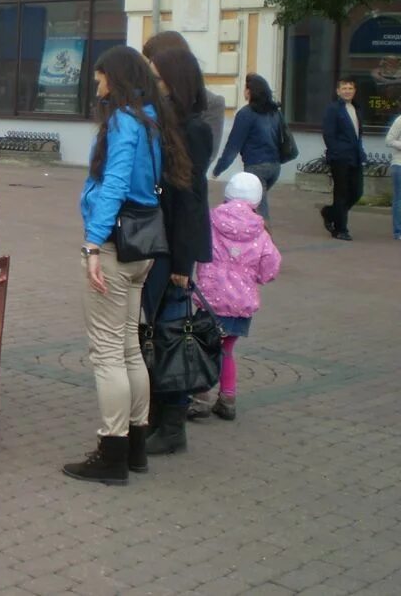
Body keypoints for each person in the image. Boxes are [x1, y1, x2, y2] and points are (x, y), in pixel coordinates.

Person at [64, 45, 187, 485]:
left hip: (116, 246)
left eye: (100, 80)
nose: (97, 88)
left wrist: (93, 245)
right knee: (131, 347)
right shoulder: (154, 121)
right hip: (144, 245)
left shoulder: (123, 122)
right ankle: (135, 445)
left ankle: (111, 450)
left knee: (107, 352)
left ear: (114, 79)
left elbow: (115, 182)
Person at [141, 47, 211, 457]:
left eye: (157, 73)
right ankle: (156, 418)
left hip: (176, 246)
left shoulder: (194, 127)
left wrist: (184, 262)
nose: (153, 79)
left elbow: (189, 195)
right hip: (160, 240)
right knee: (157, 334)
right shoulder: (165, 119)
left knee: (171, 337)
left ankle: (172, 426)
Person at [190, 173, 281, 422]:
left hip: (210, 299)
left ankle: (201, 398)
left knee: (204, 349)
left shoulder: (211, 220)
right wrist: (255, 278)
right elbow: (270, 266)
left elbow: (196, 247)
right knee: (227, 350)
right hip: (240, 303)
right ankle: (227, 398)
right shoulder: (260, 230)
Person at [142, 30, 226, 162]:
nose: (149, 66)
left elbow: (206, 157)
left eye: (153, 59)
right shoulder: (147, 99)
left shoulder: (211, 103)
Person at [213, 74, 284, 223]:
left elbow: (233, 146)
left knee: (260, 213)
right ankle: (252, 241)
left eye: (246, 88)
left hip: (257, 167)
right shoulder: (274, 112)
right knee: (254, 205)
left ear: (250, 91)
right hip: (275, 167)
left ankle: (265, 243)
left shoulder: (246, 114)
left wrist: (218, 169)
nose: (244, 91)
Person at [320, 77, 366, 241]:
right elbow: (329, 135)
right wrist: (337, 152)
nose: (347, 91)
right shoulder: (333, 109)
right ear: (338, 91)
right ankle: (340, 229)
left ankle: (330, 213)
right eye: (344, 88)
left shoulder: (356, 108)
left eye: (350, 88)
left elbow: (357, 134)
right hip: (340, 158)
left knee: (357, 192)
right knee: (341, 193)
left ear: (354, 91)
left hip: (355, 157)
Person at [387, 113, 401, 241]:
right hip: (399, 164)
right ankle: (398, 231)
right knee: (399, 198)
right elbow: (389, 140)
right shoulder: (399, 120)